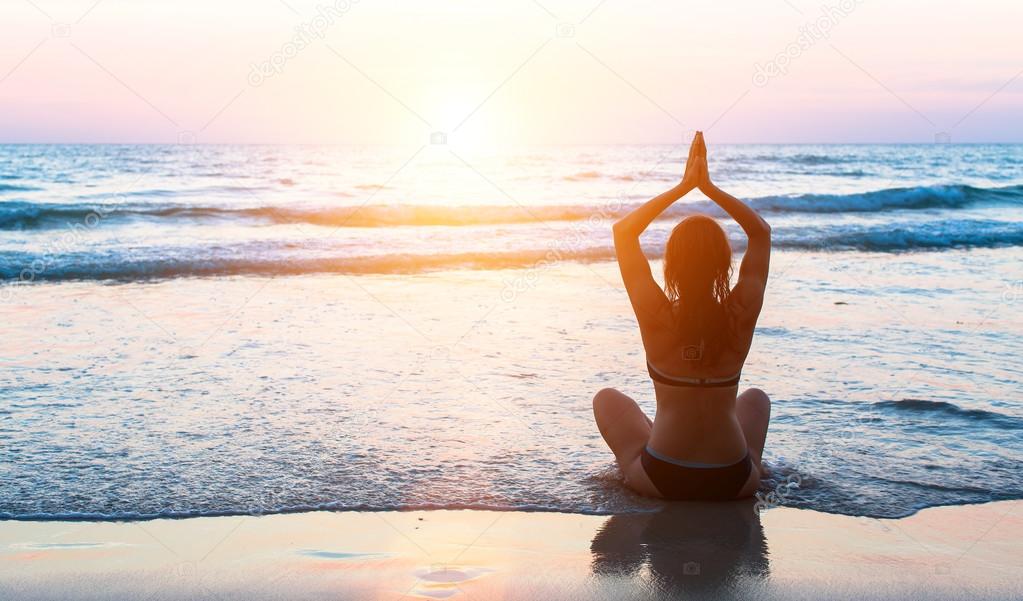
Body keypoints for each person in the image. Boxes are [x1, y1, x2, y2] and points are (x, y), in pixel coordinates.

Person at [593, 131, 772, 500]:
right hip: (734, 481)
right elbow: (760, 232)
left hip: (664, 478)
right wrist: (709, 188)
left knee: (607, 399)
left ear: (671, 266)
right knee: (756, 400)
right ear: (724, 266)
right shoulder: (739, 314)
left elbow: (624, 232)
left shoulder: (656, 315)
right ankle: (747, 462)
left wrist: (683, 186)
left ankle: (655, 439)